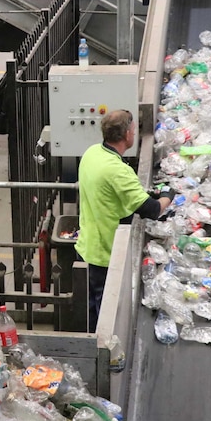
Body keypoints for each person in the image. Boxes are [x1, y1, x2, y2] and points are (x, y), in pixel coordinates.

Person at [75, 109, 173, 332]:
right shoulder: (118, 170)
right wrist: (169, 195)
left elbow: (109, 193)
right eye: (134, 129)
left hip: (86, 246)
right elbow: (152, 210)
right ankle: (106, 360)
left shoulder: (91, 153)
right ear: (127, 134)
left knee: (91, 310)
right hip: (106, 254)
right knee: (106, 315)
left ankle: (91, 348)